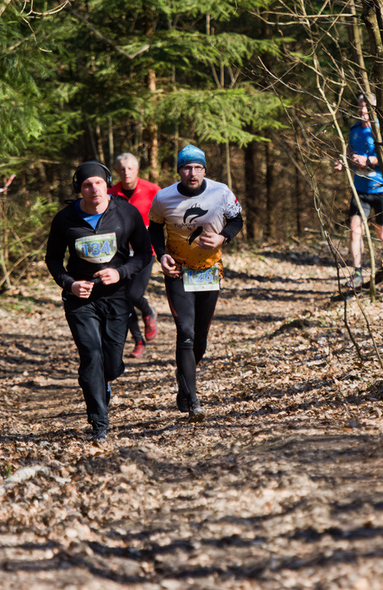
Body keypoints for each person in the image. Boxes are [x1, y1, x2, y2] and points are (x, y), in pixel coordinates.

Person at [45, 161, 152, 442]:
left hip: (116, 296)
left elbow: (143, 254)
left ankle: (108, 377)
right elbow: (53, 259)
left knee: (111, 363)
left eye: (99, 183)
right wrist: (70, 283)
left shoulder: (126, 213)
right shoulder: (65, 219)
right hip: (81, 299)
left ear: (107, 184)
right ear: (79, 189)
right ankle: (99, 423)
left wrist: (120, 272)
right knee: (91, 355)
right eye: (86, 185)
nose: (94, 189)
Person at [148, 145, 243, 422]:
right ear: (179, 171)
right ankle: (193, 400)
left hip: (209, 270)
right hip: (178, 271)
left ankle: (183, 380)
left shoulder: (221, 192)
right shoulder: (164, 197)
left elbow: (237, 220)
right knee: (185, 333)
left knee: (200, 339)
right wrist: (162, 255)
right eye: (187, 168)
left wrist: (222, 237)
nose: (192, 173)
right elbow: (154, 228)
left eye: (197, 167)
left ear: (204, 170)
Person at [336, 93, 383, 288]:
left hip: (380, 190)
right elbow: (349, 152)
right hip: (360, 190)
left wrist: (369, 161)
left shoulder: (382, 131)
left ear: (374, 110)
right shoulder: (354, 130)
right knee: (355, 231)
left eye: (367, 108)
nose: (363, 112)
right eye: (360, 108)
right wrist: (342, 161)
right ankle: (357, 273)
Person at [110, 153, 162, 359]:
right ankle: (138, 341)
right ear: (117, 171)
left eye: (130, 168)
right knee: (123, 299)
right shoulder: (110, 193)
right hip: (119, 254)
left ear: (137, 170)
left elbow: (164, 218)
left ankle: (148, 310)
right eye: (122, 169)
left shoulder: (152, 190)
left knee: (133, 295)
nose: (126, 173)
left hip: (143, 252)